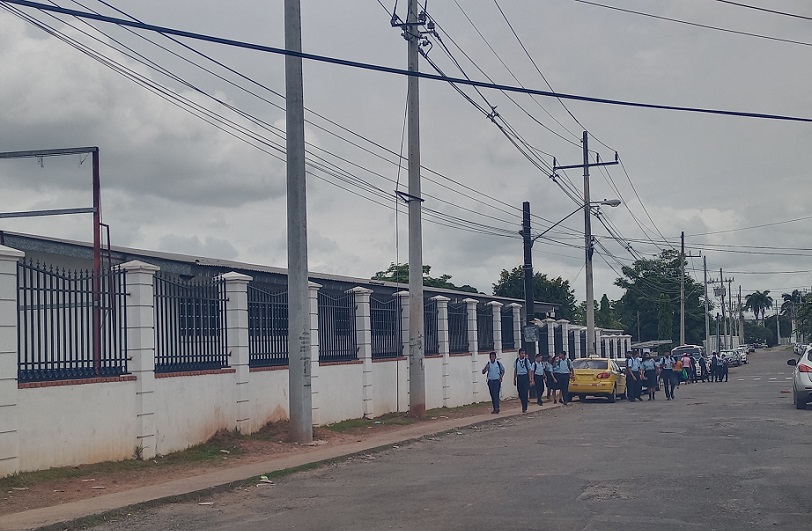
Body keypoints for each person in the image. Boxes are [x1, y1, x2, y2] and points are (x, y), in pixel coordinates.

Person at [513, 349, 532, 413]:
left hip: (525, 376)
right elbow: (515, 370)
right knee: (520, 392)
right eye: (522, 353)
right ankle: (522, 402)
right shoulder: (516, 361)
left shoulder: (527, 361)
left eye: (524, 353)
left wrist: (530, 378)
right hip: (519, 377)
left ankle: (524, 407)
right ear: (519, 354)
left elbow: (529, 370)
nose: (523, 354)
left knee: (525, 392)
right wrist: (514, 378)